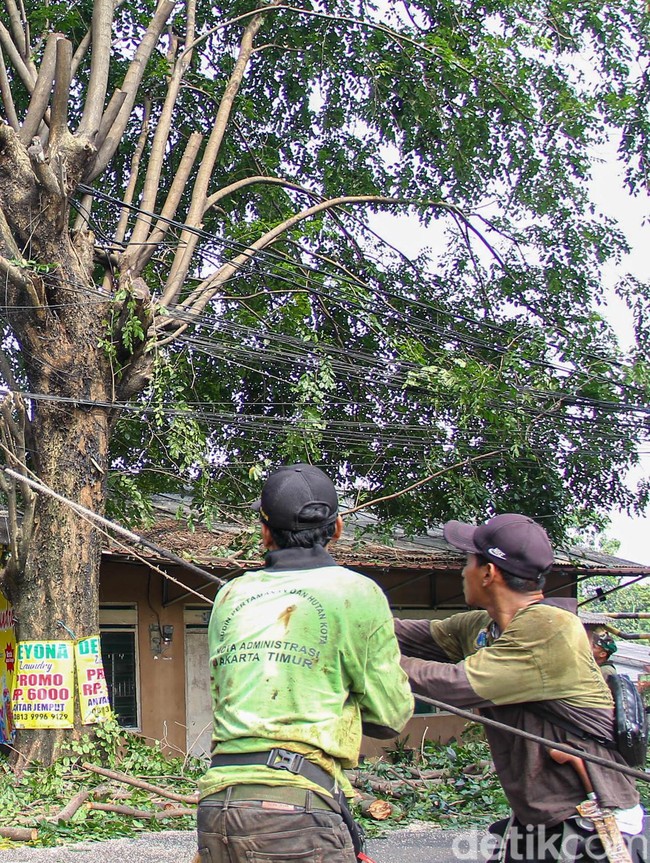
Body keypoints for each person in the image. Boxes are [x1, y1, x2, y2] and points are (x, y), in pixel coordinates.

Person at [395, 513, 644, 863]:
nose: (462, 571)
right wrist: (343, 613)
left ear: (488, 573)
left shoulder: (551, 627)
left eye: (467, 562)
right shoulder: (485, 627)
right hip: (542, 816)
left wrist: (368, 663)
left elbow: (454, 685)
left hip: (590, 817)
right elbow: (402, 634)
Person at [197, 463, 414, 863]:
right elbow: (390, 717)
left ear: (265, 531)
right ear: (338, 528)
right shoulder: (358, 592)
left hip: (218, 806)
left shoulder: (231, 594)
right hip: (298, 808)